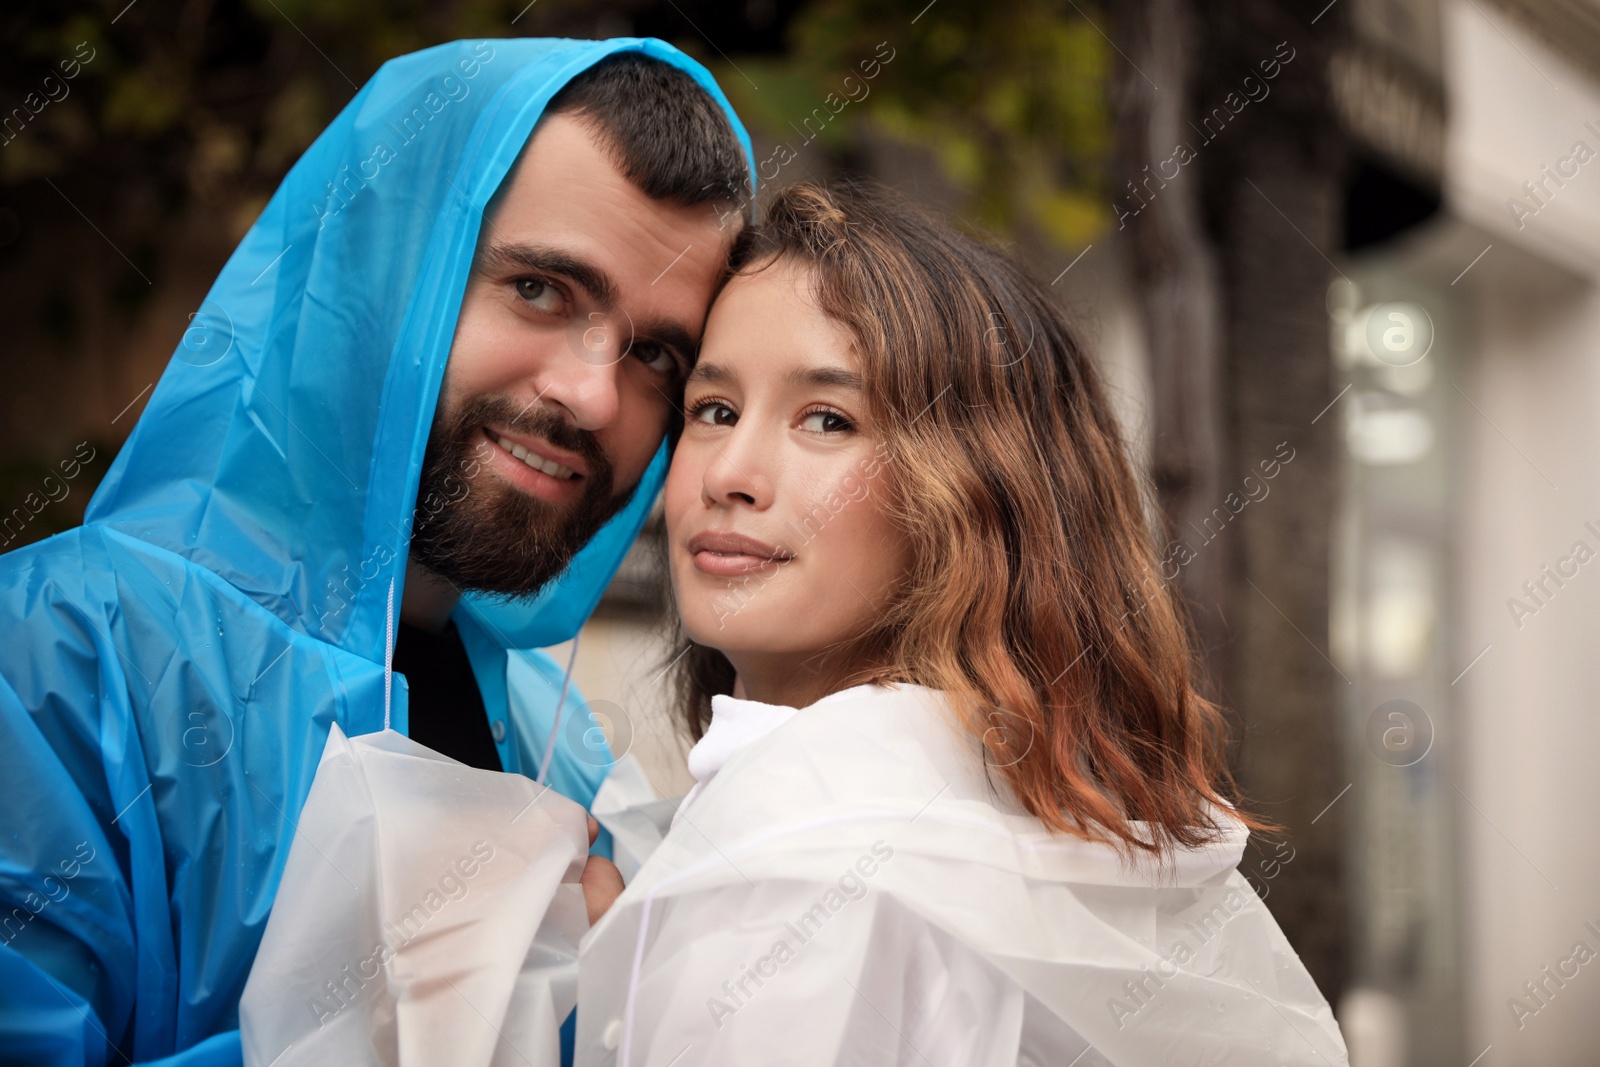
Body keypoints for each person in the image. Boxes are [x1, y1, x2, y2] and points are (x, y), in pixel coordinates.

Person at [0, 38, 752, 1066]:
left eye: (656, 353)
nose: (591, 394)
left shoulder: (558, 738)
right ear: (385, 273)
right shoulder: (50, 666)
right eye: (539, 289)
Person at [574, 182, 1350, 1065]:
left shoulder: (812, 850)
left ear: (979, 494)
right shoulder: (1003, 806)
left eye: (827, 418)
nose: (732, 472)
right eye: (714, 410)